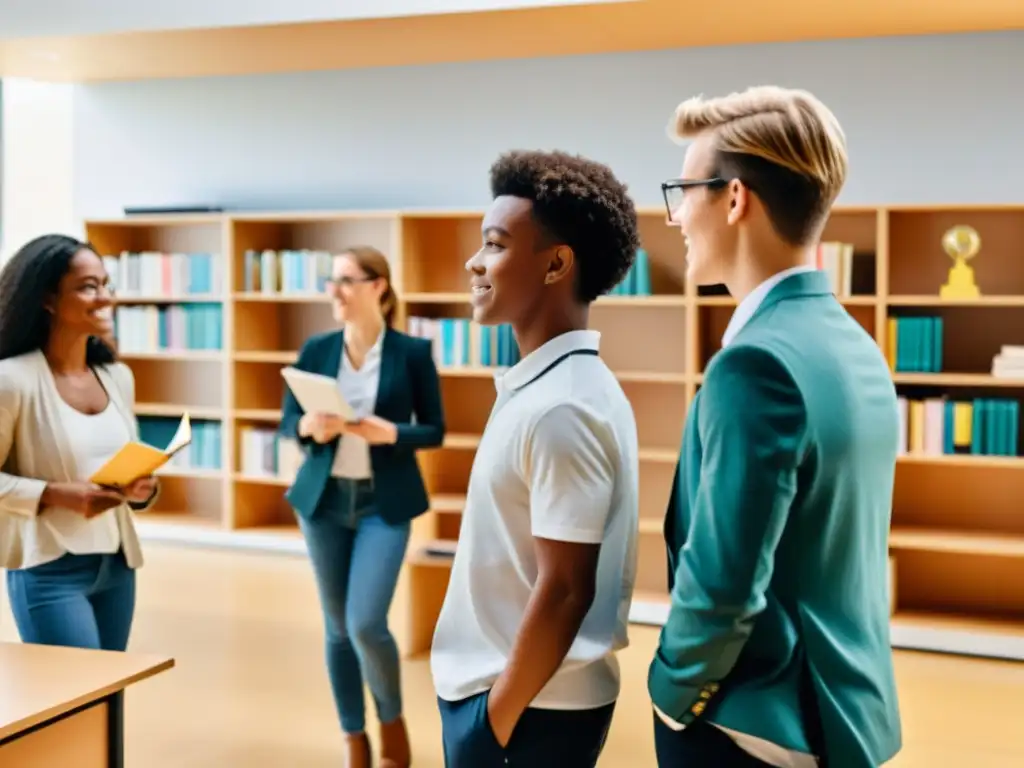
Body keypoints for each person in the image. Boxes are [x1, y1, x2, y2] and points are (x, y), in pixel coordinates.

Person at [648, 85, 902, 767]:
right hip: (846, 715)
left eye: (684, 191)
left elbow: (724, 581)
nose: (674, 218)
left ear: (733, 199)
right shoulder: (857, 346)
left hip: (756, 724)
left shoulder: (753, 364)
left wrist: (670, 693)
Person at [430, 149, 642, 768]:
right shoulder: (548, 388)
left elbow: (566, 590)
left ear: (555, 264)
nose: (474, 261)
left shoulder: (562, 407)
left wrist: (491, 724)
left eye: (494, 244)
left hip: (528, 714)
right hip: (515, 701)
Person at [279, 245, 445, 768]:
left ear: (379, 286)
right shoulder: (316, 349)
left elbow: (435, 430)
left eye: (347, 280)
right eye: (333, 280)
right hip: (323, 504)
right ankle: (354, 737)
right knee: (336, 628)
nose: (336, 291)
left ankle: (390, 719)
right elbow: (289, 422)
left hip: (384, 505)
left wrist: (389, 431)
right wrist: (309, 427)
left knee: (365, 623)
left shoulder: (411, 354)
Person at [0, 234, 161, 758]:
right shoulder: (12, 380)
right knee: (73, 713)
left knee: (105, 711)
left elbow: (128, 460)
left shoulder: (118, 376)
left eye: (105, 286)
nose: (105, 299)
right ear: (47, 298)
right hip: (49, 572)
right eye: (88, 287)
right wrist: (55, 495)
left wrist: (143, 488)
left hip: (116, 568)